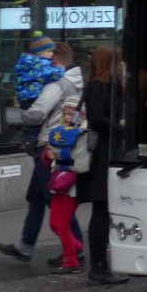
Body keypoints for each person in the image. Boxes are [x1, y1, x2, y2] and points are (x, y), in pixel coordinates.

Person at [0, 41, 84, 266]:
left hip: (48, 145)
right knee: (36, 197)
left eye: (48, 59)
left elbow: (37, 113)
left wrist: (19, 115)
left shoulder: (57, 83)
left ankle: (75, 248)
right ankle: (25, 245)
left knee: (53, 197)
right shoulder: (77, 81)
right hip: (61, 142)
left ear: (56, 61)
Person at [80, 44, 128, 285]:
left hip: (109, 153)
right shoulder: (97, 86)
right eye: (118, 60)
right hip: (101, 155)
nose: (121, 64)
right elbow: (97, 118)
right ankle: (98, 267)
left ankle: (101, 265)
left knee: (105, 211)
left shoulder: (108, 85)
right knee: (101, 211)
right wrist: (120, 129)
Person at [42, 98, 87, 274]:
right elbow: (47, 160)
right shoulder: (59, 132)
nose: (67, 117)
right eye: (65, 113)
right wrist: (48, 156)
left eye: (71, 113)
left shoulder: (82, 133)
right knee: (54, 224)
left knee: (61, 224)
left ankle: (71, 261)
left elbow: (80, 162)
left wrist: (59, 157)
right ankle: (75, 247)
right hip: (59, 182)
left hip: (72, 185)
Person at [16, 35, 65, 148]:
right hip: (32, 96)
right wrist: (60, 68)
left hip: (25, 96)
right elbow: (51, 74)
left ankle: (28, 138)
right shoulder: (40, 64)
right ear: (39, 52)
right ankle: (29, 142)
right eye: (49, 51)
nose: (52, 54)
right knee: (35, 125)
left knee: (32, 125)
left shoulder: (28, 62)